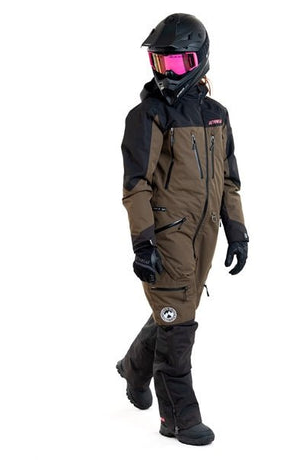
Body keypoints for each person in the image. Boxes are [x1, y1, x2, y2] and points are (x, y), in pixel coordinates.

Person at [116, 13, 249, 446]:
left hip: (204, 233)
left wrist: (237, 231)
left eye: (177, 64)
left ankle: (134, 366)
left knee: (178, 313)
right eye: (160, 63)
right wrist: (144, 242)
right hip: (167, 233)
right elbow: (136, 184)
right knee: (178, 329)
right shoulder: (148, 115)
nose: (168, 74)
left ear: (199, 61)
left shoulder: (216, 115)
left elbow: (228, 180)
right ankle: (178, 418)